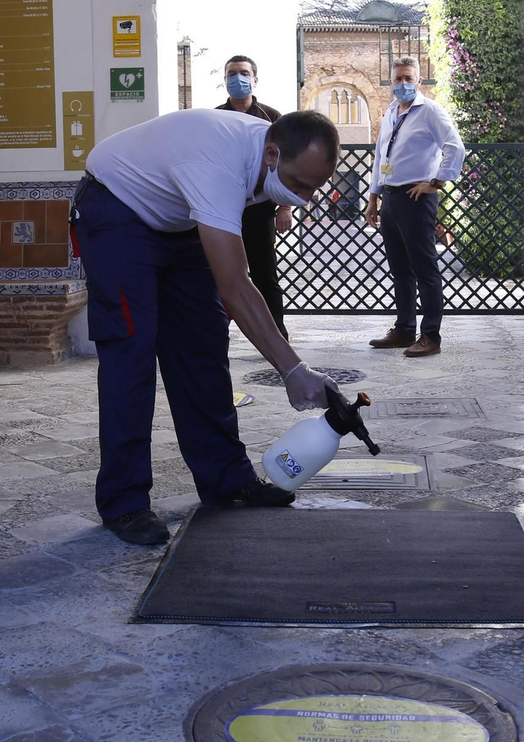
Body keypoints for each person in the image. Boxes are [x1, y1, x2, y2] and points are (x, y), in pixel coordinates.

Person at [71, 109, 344, 546]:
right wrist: (293, 370)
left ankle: (226, 479)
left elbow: (239, 271)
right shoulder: (220, 164)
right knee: (131, 353)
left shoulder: (266, 156)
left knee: (203, 345)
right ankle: (124, 502)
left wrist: (290, 364)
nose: (304, 198)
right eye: (299, 185)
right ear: (272, 154)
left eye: (313, 189)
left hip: (174, 221)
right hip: (116, 210)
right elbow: (236, 285)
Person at [363, 57, 464, 357]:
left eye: (409, 79)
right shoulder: (392, 111)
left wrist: (435, 182)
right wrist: (373, 197)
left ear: (419, 82)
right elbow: (381, 156)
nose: (403, 84)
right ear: (391, 82)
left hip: (416, 198)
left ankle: (430, 335)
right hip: (390, 199)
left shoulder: (430, 111)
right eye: (398, 79)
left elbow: (455, 146)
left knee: (424, 268)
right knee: (400, 269)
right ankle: (404, 329)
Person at [215, 55, 293, 338]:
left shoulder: (273, 118)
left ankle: (276, 334)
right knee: (219, 274)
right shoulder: (215, 118)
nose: (238, 79)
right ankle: (214, 333)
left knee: (264, 275)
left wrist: (285, 206)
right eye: (232, 74)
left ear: (255, 79)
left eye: (243, 73)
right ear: (225, 81)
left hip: (261, 209)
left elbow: (286, 165)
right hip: (222, 210)